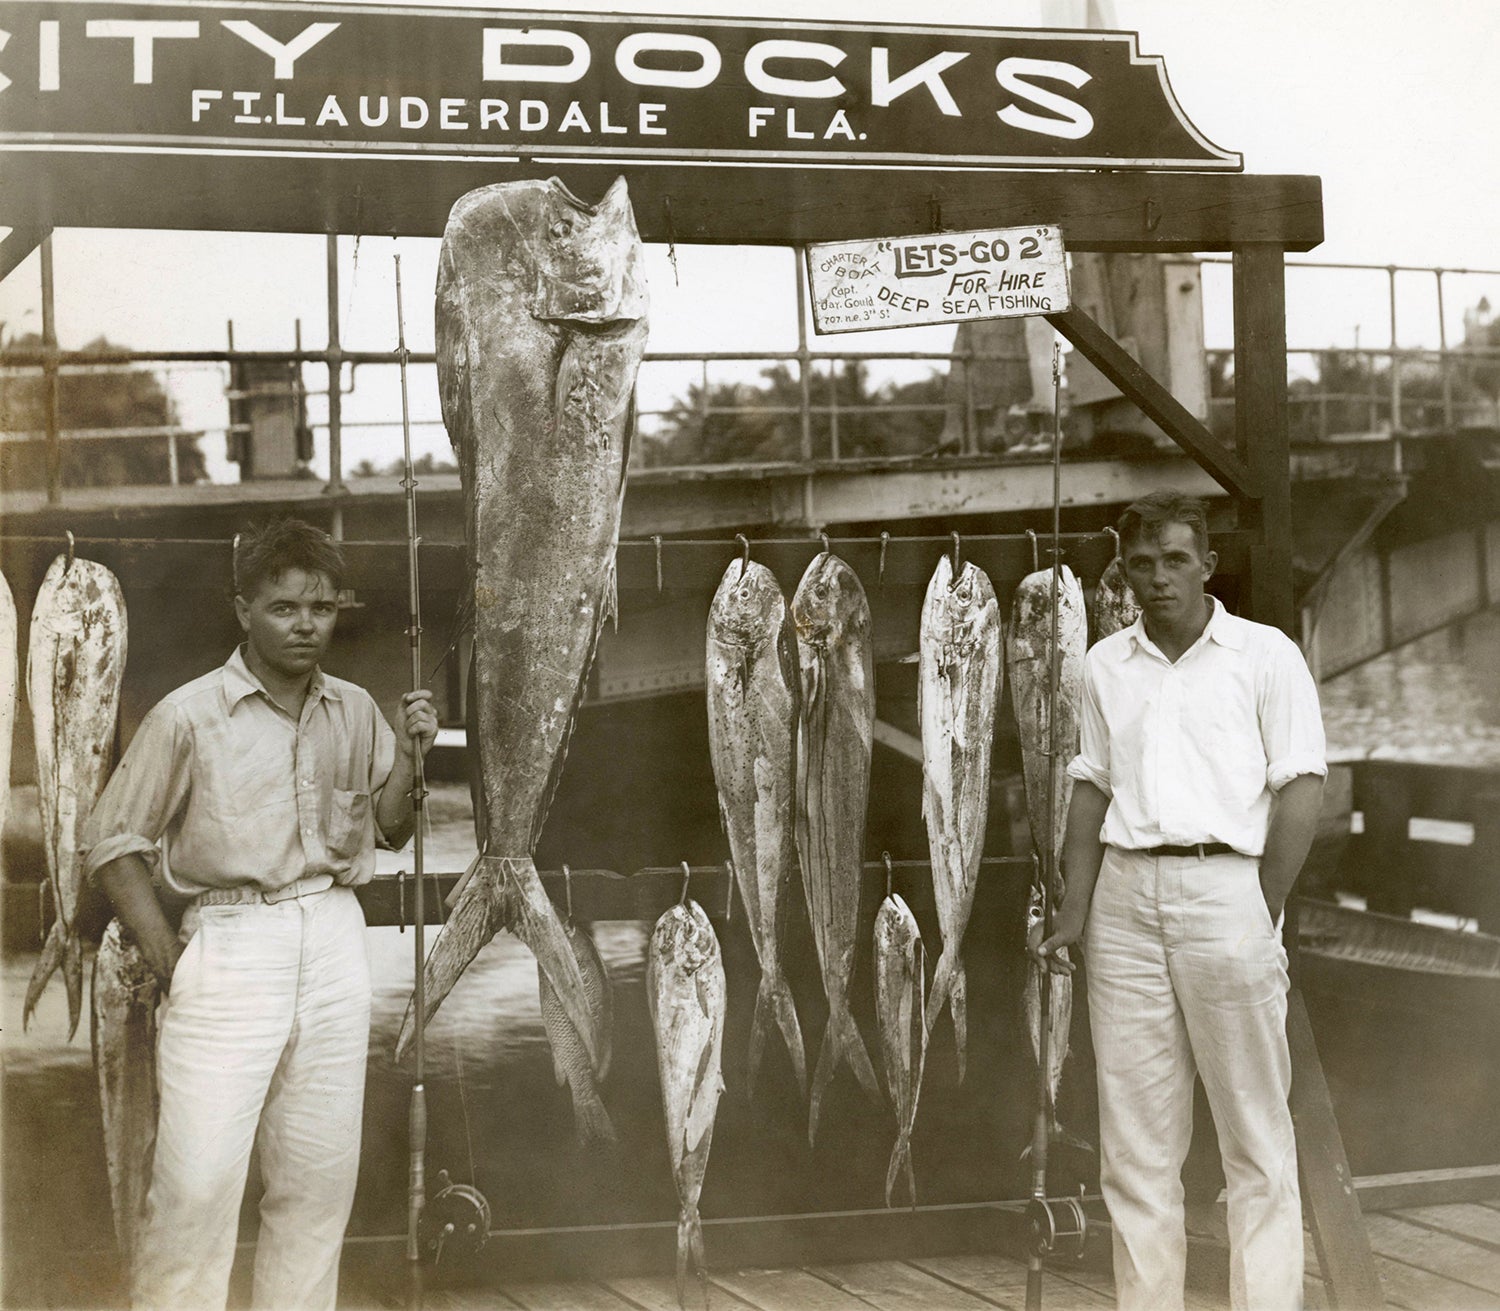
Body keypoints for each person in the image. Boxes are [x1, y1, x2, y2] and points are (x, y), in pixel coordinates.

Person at [84, 519, 437, 1311]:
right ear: (243, 609)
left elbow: (391, 825)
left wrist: (414, 757)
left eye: (321, 607)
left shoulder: (352, 709)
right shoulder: (187, 715)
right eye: (284, 607)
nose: (306, 624)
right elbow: (110, 842)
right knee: (197, 1182)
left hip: (336, 936)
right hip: (231, 939)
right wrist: (173, 959)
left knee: (317, 1181)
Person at [1034, 490, 1326, 1311]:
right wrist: (1073, 908)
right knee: (1135, 1148)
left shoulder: (1265, 656)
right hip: (1123, 904)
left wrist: (1256, 903)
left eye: (1174, 560)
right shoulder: (1103, 664)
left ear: (1207, 563)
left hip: (1228, 887)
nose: (1158, 578)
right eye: (1141, 564)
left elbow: (1302, 788)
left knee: (1256, 1139)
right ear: (1122, 572)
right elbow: (1090, 791)